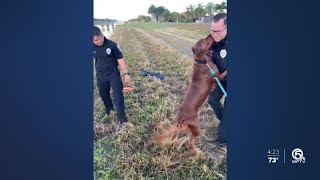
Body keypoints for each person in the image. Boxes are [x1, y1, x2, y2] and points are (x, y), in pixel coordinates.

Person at [93, 26, 131, 124]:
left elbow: (120, 60)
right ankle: (109, 110)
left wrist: (126, 73)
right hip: (100, 74)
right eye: (94, 41)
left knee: (118, 95)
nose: (96, 42)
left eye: (97, 39)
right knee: (103, 94)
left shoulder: (112, 45)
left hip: (113, 73)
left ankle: (121, 117)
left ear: (101, 35)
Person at [208, 13, 227, 144]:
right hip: (221, 79)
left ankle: (223, 138)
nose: (214, 34)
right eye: (212, 30)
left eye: (217, 31)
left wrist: (221, 76)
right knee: (213, 100)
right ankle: (226, 121)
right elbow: (204, 55)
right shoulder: (211, 40)